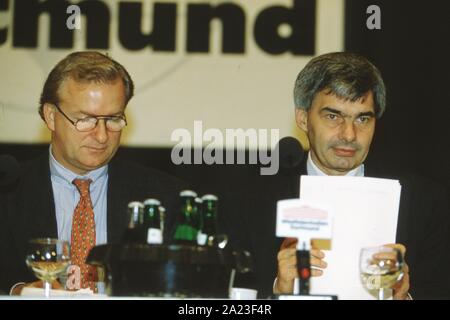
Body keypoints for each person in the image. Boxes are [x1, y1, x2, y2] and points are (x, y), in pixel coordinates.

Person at [234, 52, 450, 299]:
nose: (349, 134)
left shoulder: (424, 202)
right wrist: (279, 291)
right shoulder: (250, 200)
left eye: (363, 118)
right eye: (333, 116)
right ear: (303, 118)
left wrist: (404, 297)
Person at [0, 51, 187, 294]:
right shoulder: (8, 191)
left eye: (113, 119)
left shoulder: (165, 197)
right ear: (51, 116)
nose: (101, 136)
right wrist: (18, 293)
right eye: (86, 120)